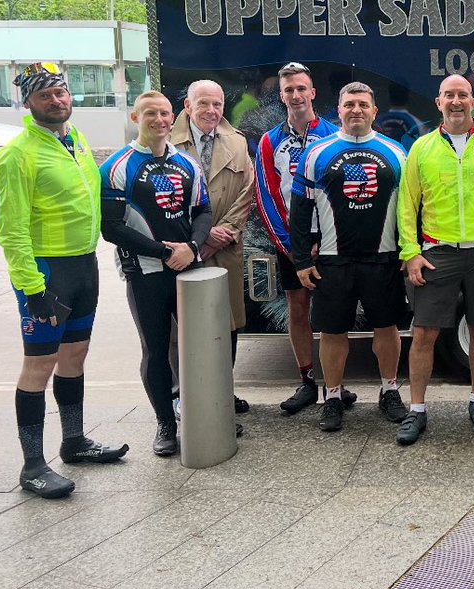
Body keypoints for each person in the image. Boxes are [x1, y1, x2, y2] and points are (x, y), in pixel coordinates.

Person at [0, 62, 128, 499]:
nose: (57, 100)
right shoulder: (18, 154)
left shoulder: (76, 140)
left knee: (75, 356)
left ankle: (74, 442)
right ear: (28, 103)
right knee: (39, 365)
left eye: (61, 92)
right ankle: (32, 465)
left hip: (82, 265)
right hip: (46, 273)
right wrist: (32, 289)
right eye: (45, 95)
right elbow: (11, 232)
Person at [396, 74, 474, 445]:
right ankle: (416, 410)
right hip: (437, 253)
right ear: (438, 103)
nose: (456, 102)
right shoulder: (421, 148)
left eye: (463, 95)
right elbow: (407, 205)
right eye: (449, 95)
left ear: (473, 102)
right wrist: (411, 253)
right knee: (423, 333)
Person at [289, 82, 410, 431]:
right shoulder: (317, 153)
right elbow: (299, 211)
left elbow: (410, 206)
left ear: (374, 111)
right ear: (338, 110)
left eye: (363, 104)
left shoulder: (396, 152)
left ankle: (389, 390)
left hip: (383, 257)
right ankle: (333, 396)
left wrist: (408, 251)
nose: (356, 109)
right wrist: (301, 260)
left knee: (387, 327)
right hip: (333, 260)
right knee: (332, 331)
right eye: (349, 104)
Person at [100, 91, 211, 457]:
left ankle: (205, 416)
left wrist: (192, 249)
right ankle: (165, 422)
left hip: (188, 268)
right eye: (151, 113)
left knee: (199, 350)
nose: (159, 120)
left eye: (165, 113)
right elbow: (112, 228)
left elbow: (202, 213)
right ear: (136, 117)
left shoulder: (188, 164)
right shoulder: (116, 166)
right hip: (146, 272)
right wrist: (165, 252)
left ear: (174, 117)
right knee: (156, 349)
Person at [254, 62, 339, 415]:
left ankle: (336, 387)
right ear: (282, 95)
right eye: (289, 90)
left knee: (336, 315)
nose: (296, 95)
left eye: (301, 88)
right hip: (293, 241)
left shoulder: (335, 135)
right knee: (298, 309)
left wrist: (331, 239)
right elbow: (266, 195)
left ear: (313, 92)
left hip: (332, 240)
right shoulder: (270, 140)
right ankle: (306, 382)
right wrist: (293, 247)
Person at [169, 80, 255, 416]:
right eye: (203, 104)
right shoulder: (168, 143)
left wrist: (227, 230)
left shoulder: (237, 142)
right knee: (182, 327)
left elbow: (246, 190)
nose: (211, 111)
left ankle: (222, 389)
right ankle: (181, 397)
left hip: (224, 247)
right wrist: (195, 241)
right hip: (182, 249)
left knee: (225, 323)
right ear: (188, 106)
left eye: (217, 104)